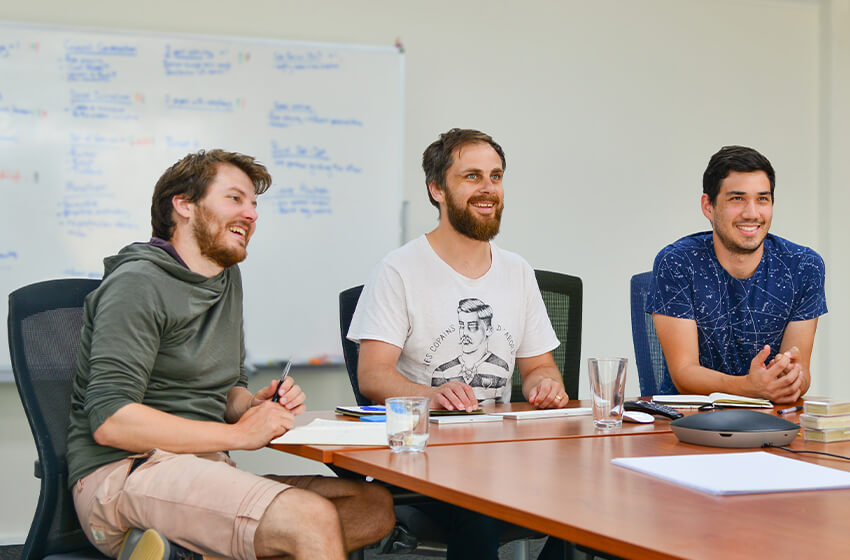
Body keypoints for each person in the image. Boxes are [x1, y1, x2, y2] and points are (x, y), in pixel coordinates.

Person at [66, 149, 394, 560]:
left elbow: (226, 390)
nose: (251, 214)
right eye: (235, 199)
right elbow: (111, 421)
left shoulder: (225, 278)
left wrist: (251, 405)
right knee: (310, 518)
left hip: (202, 468)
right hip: (125, 473)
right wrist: (238, 435)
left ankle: (186, 553)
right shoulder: (138, 283)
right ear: (184, 205)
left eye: (254, 205)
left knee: (373, 507)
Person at [347, 128, 567, 559]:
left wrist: (545, 384)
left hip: (500, 452)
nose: (488, 189)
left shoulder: (517, 270)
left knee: (583, 495)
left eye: (496, 176)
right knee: (483, 503)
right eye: (472, 177)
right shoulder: (399, 270)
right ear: (437, 190)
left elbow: (540, 366)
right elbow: (372, 376)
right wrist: (431, 395)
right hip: (425, 460)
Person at [647, 145, 827, 403]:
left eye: (762, 199)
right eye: (737, 199)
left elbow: (802, 370)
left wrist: (791, 378)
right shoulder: (678, 262)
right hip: (689, 421)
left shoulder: (803, 266)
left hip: (769, 420)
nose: (752, 213)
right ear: (708, 206)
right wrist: (748, 387)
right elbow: (684, 374)